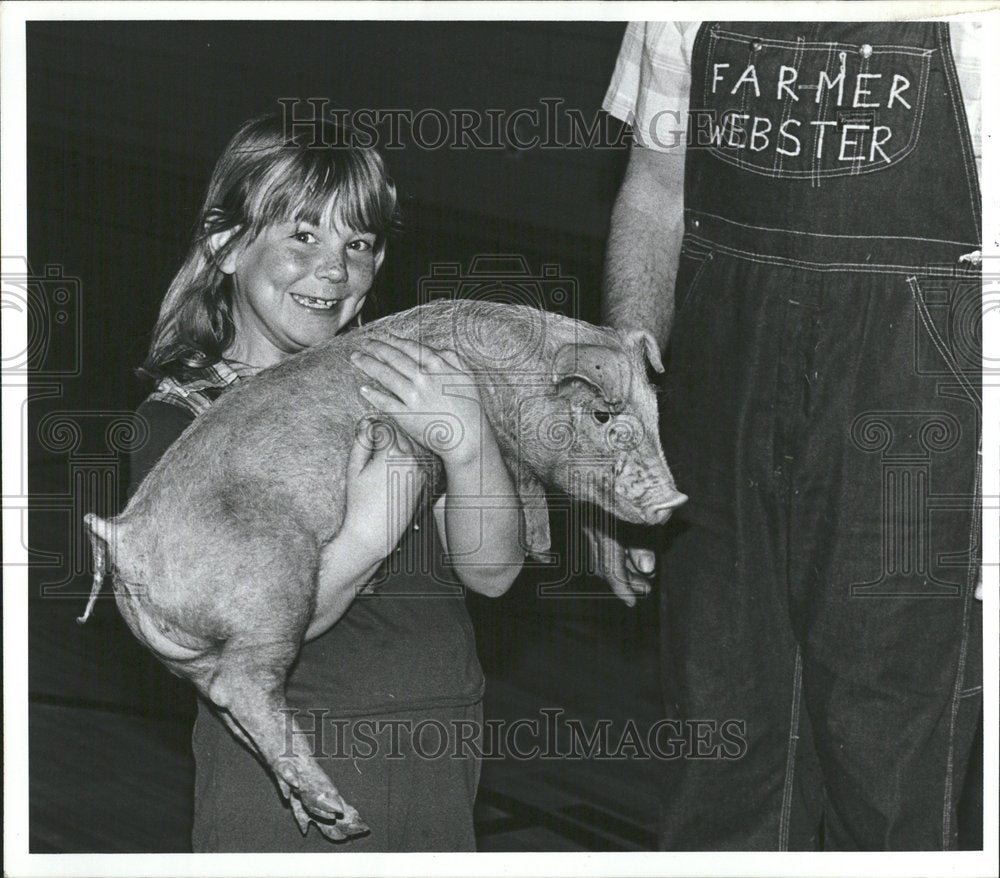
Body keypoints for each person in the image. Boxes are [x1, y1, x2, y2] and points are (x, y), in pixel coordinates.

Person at [601, 22, 982, 850]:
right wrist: (624, 421)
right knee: (719, 750)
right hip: (718, 393)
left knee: (891, 774)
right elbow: (659, 186)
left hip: (918, 413)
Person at [129, 112, 524, 852]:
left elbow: (494, 572)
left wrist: (469, 446)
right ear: (225, 243)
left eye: (359, 243)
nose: (334, 268)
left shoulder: (394, 383)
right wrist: (373, 527)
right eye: (302, 235)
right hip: (292, 764)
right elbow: (250, 641)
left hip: (441, 745)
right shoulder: (180, 423)